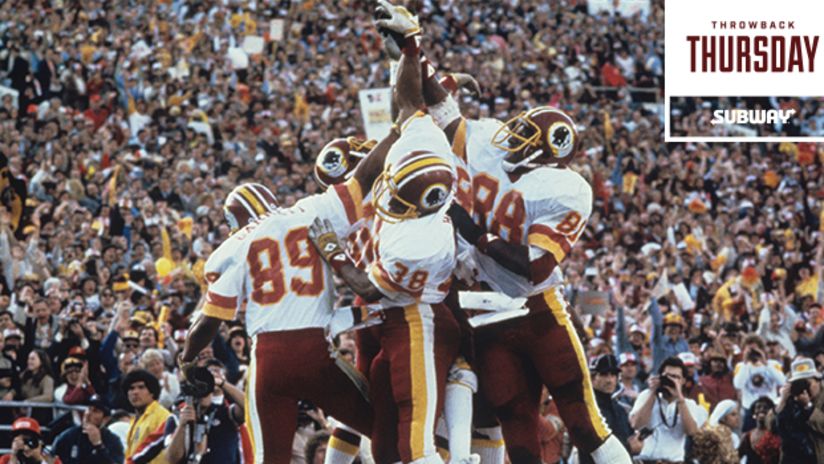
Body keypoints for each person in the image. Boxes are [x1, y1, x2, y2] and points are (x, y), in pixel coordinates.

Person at [376, 1, 629, 460]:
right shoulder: (489, 141)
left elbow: (537, 266)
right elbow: (435, 103)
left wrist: (478, 236)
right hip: (487, 312)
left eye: (529, 138)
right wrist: (412, 48)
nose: (515, 137)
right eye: (522, 128)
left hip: (536, 310)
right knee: (516, 426)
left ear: (548, 160)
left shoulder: (565, 190)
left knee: (584, 423)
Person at [308, 28, 460, 462]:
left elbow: (369, 286)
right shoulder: (421, 166)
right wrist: (410, 53)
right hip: (380, 311)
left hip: (408, 310)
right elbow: (410, 108)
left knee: (421, 428)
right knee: (381, 427)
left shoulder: (414, 237)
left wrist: (332, 250)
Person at [180, 182, 374, 464]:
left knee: (270, 457)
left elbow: (209, 321)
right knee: (380, 426)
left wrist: (187, 359)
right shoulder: (308, 214)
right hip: (316, 351)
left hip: (270, 358)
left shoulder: (234, 247)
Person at [163, 360, 247, 464]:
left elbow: (248, 407)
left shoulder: (224, 412)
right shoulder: (177, 417)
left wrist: (222, 383)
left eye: (206, 387)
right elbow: (172, 458)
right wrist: (182, 426)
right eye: (196, 387)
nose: (202, 393)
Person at [629, 356, 708, 463]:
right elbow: (636, 424)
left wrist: (680, 399)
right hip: (645, 460)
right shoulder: (646, 395)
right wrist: (652, 393)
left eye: (675, 377)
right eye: (667, 376)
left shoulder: (688, 404)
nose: (670, 380)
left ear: (683, 381)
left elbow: (691, 431)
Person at [579, 355, 634, 464]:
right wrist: (629, 446)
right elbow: (595, 445)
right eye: (604, 374)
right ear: (592, 378)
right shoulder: (587, 408)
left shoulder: (620, 409)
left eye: (613, 375)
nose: (609, 380)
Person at [52, 394, 125, 464]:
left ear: (105, 419)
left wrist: (98, 445)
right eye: (89, 408)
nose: (88, 413)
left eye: (95, 411)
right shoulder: (68, 436)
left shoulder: (112, 441)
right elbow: (51, 458)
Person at [776, 357, 824, 463]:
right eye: (799, 383)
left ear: (818, 381)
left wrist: (809, 407)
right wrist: (782, 401)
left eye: (807, 383)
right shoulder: (791, 399)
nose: (804, 388)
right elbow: (770, 425)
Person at [122, 369, 171, 464]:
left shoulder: (162, 416)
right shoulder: (133, 421)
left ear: (152, 392)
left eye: (141, 387)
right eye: (131, 388)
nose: (135, 392)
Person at [739, 396, 782, 464]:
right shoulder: (747, 437)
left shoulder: (777, 435)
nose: (762, 409)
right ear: (753, 412)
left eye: (765, 407)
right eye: (758, 407)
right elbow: (736, 457)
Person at [19, 349, 54, 426]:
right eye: (28, 359)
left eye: (33, 359)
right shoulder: (24, 376)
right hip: (24, 414)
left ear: (41, 361)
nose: (29, 361)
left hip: (40, 416)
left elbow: (48, 397)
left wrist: (28, 401)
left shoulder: (47, 379)